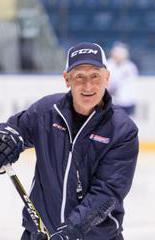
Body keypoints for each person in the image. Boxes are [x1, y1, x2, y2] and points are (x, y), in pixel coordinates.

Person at [0, 42, 139, 239]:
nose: (88, 86)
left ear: (107, 77)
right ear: (67, 79)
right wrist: (7, 139)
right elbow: (14, 129)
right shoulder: (46, 111)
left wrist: (72, 231)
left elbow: (107, 193)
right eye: (79, 77)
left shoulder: (122, 130)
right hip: (39, 233)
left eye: (95, 76)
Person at [107, 42, 139, 116]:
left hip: (127, 101)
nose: (119, 55)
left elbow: (132, 84)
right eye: (117, 53)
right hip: (112, 102)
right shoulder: (108, 65)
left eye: (121, 53)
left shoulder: (130, 66)